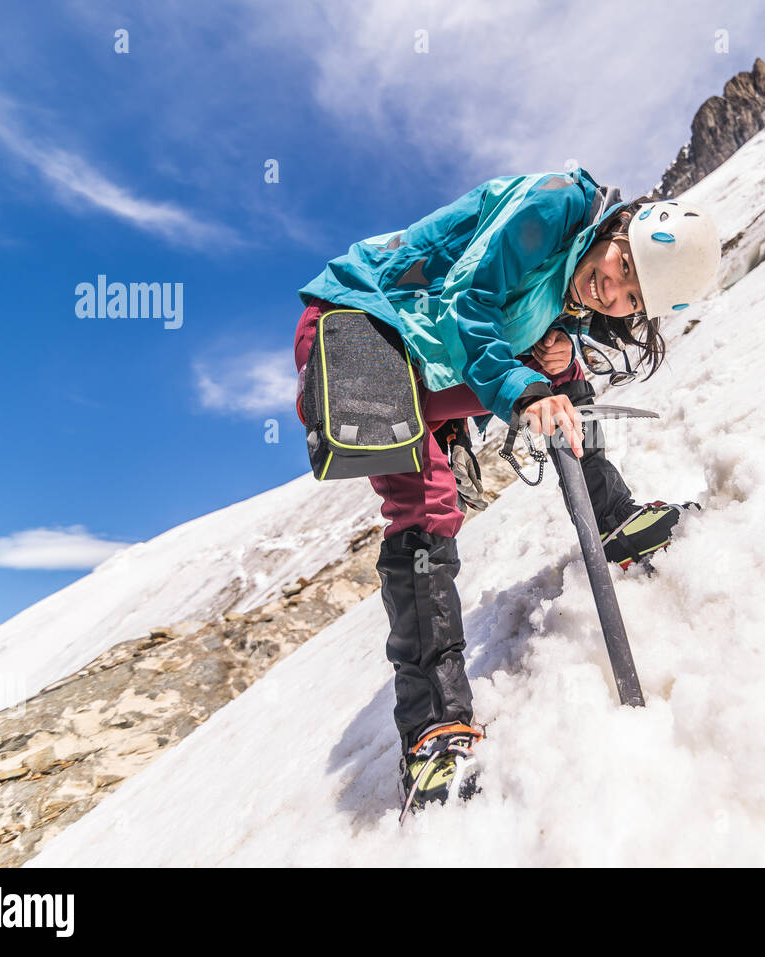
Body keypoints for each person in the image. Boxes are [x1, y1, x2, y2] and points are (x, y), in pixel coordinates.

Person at [292, 167, 719, 815]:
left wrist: (555, 350)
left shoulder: (574, 288)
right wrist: (521, 387)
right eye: (624, 264)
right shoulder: (553, 207)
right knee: (425, 503)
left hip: (431, 365)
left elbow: (520, 324)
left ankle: (612, 517)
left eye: (634, 296)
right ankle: (433, 730)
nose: (615, 289)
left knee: (563, 369)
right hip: (363, 326)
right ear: (621, 224)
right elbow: (468, 302)